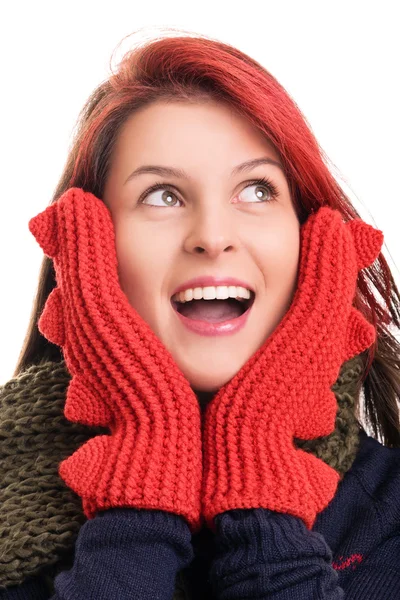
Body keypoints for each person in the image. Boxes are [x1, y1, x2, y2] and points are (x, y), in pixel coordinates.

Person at [1, 29, 400, 600]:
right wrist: (142, 469)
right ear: (88, 245)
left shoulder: (388, 505)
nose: (213, 237)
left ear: (314, 241)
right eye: (162, 195)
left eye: (257, 190)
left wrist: (259, 468)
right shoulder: (8, 504)